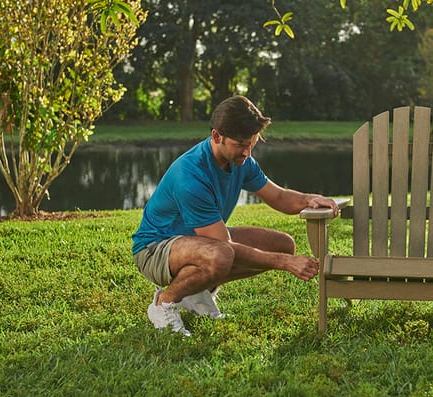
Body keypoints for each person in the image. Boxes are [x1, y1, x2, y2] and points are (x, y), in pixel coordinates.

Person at [132, 95, 339, 336]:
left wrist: (309, 199)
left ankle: (196, 293)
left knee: (283, 245)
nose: (247, 152)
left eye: (252, 143)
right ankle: (164, 303)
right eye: (240, 144)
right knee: (221, 255)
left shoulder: (242, 161)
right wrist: (284, 264)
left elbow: (279, 197)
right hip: (155, 249)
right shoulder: (190, 176)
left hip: (200, 242)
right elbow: (223, 245)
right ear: (217, 136)